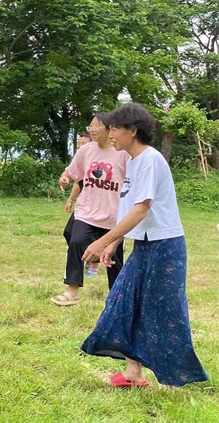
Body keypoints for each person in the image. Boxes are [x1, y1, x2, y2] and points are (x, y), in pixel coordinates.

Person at [80, 103, 208, 387]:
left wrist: (103, 241)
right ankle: (132, 372)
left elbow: (141, 209)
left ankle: (177, 377)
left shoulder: (150, 159)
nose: (110, 134)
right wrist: (114, 243)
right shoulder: (133, 161)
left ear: (133, 131)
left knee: (165, 311)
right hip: (144, 244)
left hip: (166, 246)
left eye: (115, 129)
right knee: (123, 300)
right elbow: (130, 209)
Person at [52, 113, 130, 306]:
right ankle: (72, 292)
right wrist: (65, 177)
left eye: (97, 126)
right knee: (76, 242)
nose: (93, 129)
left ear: (109, 129)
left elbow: (133, 182)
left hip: (113, 216)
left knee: (114, 259)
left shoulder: (122, 153)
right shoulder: (86, 150)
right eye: (91, 126)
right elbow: (72, 171)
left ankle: (117, 299)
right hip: (86, 211)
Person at [62, 132, 99, 277]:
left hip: (99, 206)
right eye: (78, 143)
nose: (79, 146)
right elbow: (78, 182)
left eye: (83, 143)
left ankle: (94, 267)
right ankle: (88, 255)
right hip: (84, 205)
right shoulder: (82, 159)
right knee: (69, 232)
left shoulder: (97, 160)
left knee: (95, 236)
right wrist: (70, 200)